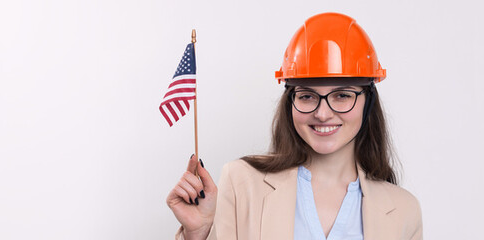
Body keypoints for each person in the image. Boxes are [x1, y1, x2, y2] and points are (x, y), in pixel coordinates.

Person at [166, 12, 422, 240]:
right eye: (307, 96)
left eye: (342, 95)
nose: (323, 113)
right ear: (290, 101)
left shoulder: (404, 210)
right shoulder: (242, 182)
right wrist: (198, 234)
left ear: (368, 103)